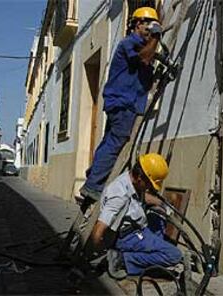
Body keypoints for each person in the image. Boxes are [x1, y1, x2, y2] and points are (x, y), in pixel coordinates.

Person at [78, 7, 163, 209]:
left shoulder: (142, 47)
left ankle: (93, 176)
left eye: (152, 26)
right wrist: (156, 37)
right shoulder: (129, 43)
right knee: (116, 143)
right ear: (136, 24)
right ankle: (93, 186)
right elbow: (143, 58)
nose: (149, 30)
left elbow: (146, 68)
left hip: (124, 103)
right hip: (124, 103)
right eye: (147, 25)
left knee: (109, 141)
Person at [90, 153, 182, 279]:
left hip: (138, 225)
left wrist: (162, 204)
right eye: (149, 184)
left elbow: (143, 197)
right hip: (128, 236)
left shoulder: (131, 179)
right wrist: (92, 256)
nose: (151, 188)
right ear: (140, 177)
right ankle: (122, 259)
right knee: (174, 255)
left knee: (159, 218)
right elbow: (99, 227)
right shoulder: (119, 196)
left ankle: (146, 252)